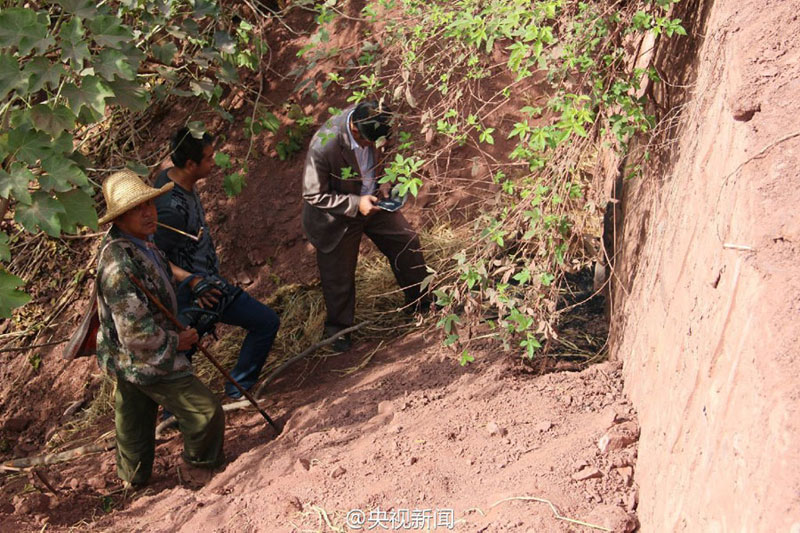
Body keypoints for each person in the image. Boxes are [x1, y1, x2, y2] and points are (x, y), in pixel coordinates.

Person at [95, 170, 225, 486]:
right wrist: (175, 341)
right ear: (120, 217)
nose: (148, 213)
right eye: (137, 209)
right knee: (205, 412)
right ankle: (197, 466)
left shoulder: (140, 243)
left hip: (129, 356)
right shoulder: (118, 266)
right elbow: (135, 333)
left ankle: (133, 481)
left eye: (149, 204)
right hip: (143, 356)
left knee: (134, 420)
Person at [153, 128, 280, 398]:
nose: (214, 163)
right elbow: (154, 256)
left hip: (206, 282)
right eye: (209, 158)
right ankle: (232, 393)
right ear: (190, 164)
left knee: (186, 352)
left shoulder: (172, 177)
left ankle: (223, 395)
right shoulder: (169, 208)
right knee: (264, 322)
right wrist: (194, 281)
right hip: (195, 292)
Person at [302, 101, 429, 351]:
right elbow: (313, 194)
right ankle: (339, 332)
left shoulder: (376, 121)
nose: (373, 147)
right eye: (369, 143)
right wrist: (355, 203)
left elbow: (386, 153)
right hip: (337, 215)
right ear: (355, 130)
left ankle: (422, 304)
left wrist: (385, 181)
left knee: (406, 241)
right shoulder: (324, 143)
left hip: (375, 202)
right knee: (338, 276)